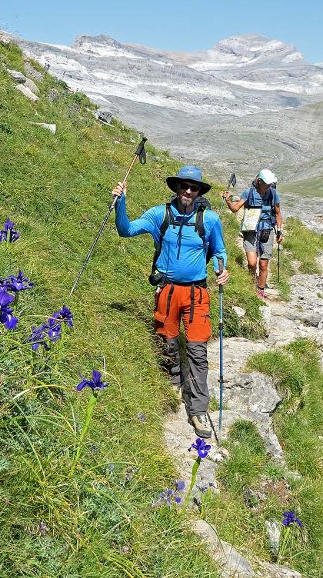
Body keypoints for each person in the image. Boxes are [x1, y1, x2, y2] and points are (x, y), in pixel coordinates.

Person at [113, 165, 230, 439]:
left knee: (198, 352)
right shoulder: (160, 215)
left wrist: (221, 268)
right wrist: (121, 202)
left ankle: (198, 410)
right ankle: (174, 380)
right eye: (183, 186)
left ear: (200, 191)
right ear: (176, 188)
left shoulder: (210, 220)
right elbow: (126, 230)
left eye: (194, 187)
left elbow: (219, 250)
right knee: (167, 341)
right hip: (167, 291)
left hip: (197, 293)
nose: (188, 191)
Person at [222, 168, 282, 299]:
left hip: (267, 230)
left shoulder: (273, 194)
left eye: (270, 184)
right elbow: (235, 209)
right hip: (250, 230)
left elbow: (277, 213)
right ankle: (251, 282)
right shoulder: (248, 193)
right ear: (259, 181)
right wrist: (227, 200)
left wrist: (279, 231)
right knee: (252, 263)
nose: (268, 186)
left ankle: (260, 290)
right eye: (266, 183)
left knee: (263, 264)